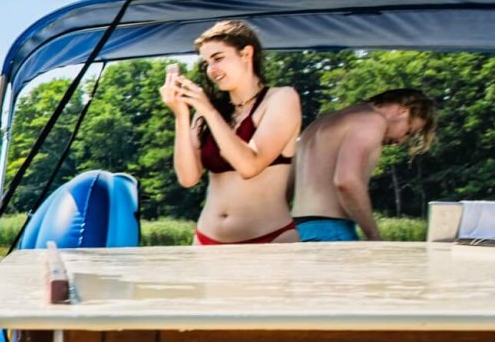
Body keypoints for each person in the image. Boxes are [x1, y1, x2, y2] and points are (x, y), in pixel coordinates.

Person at [160, 20, 302, 245]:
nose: (211, 70)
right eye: (207, 63)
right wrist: (181, 115)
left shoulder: (281, 98)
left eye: (218, 58)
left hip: (270, 239)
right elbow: (188, 178)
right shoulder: (207, 112)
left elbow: (249, 166)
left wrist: (208, 111)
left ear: (246, 54)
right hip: (206, 239)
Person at [289, 88, 437, 241]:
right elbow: (346, 181)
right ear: (403, 111)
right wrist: (373, 235)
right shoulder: (372, 120)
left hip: (300, 229)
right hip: (332, 231)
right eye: (408, 132)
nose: (401, 141)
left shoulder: (317, 125)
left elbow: (286, 188)